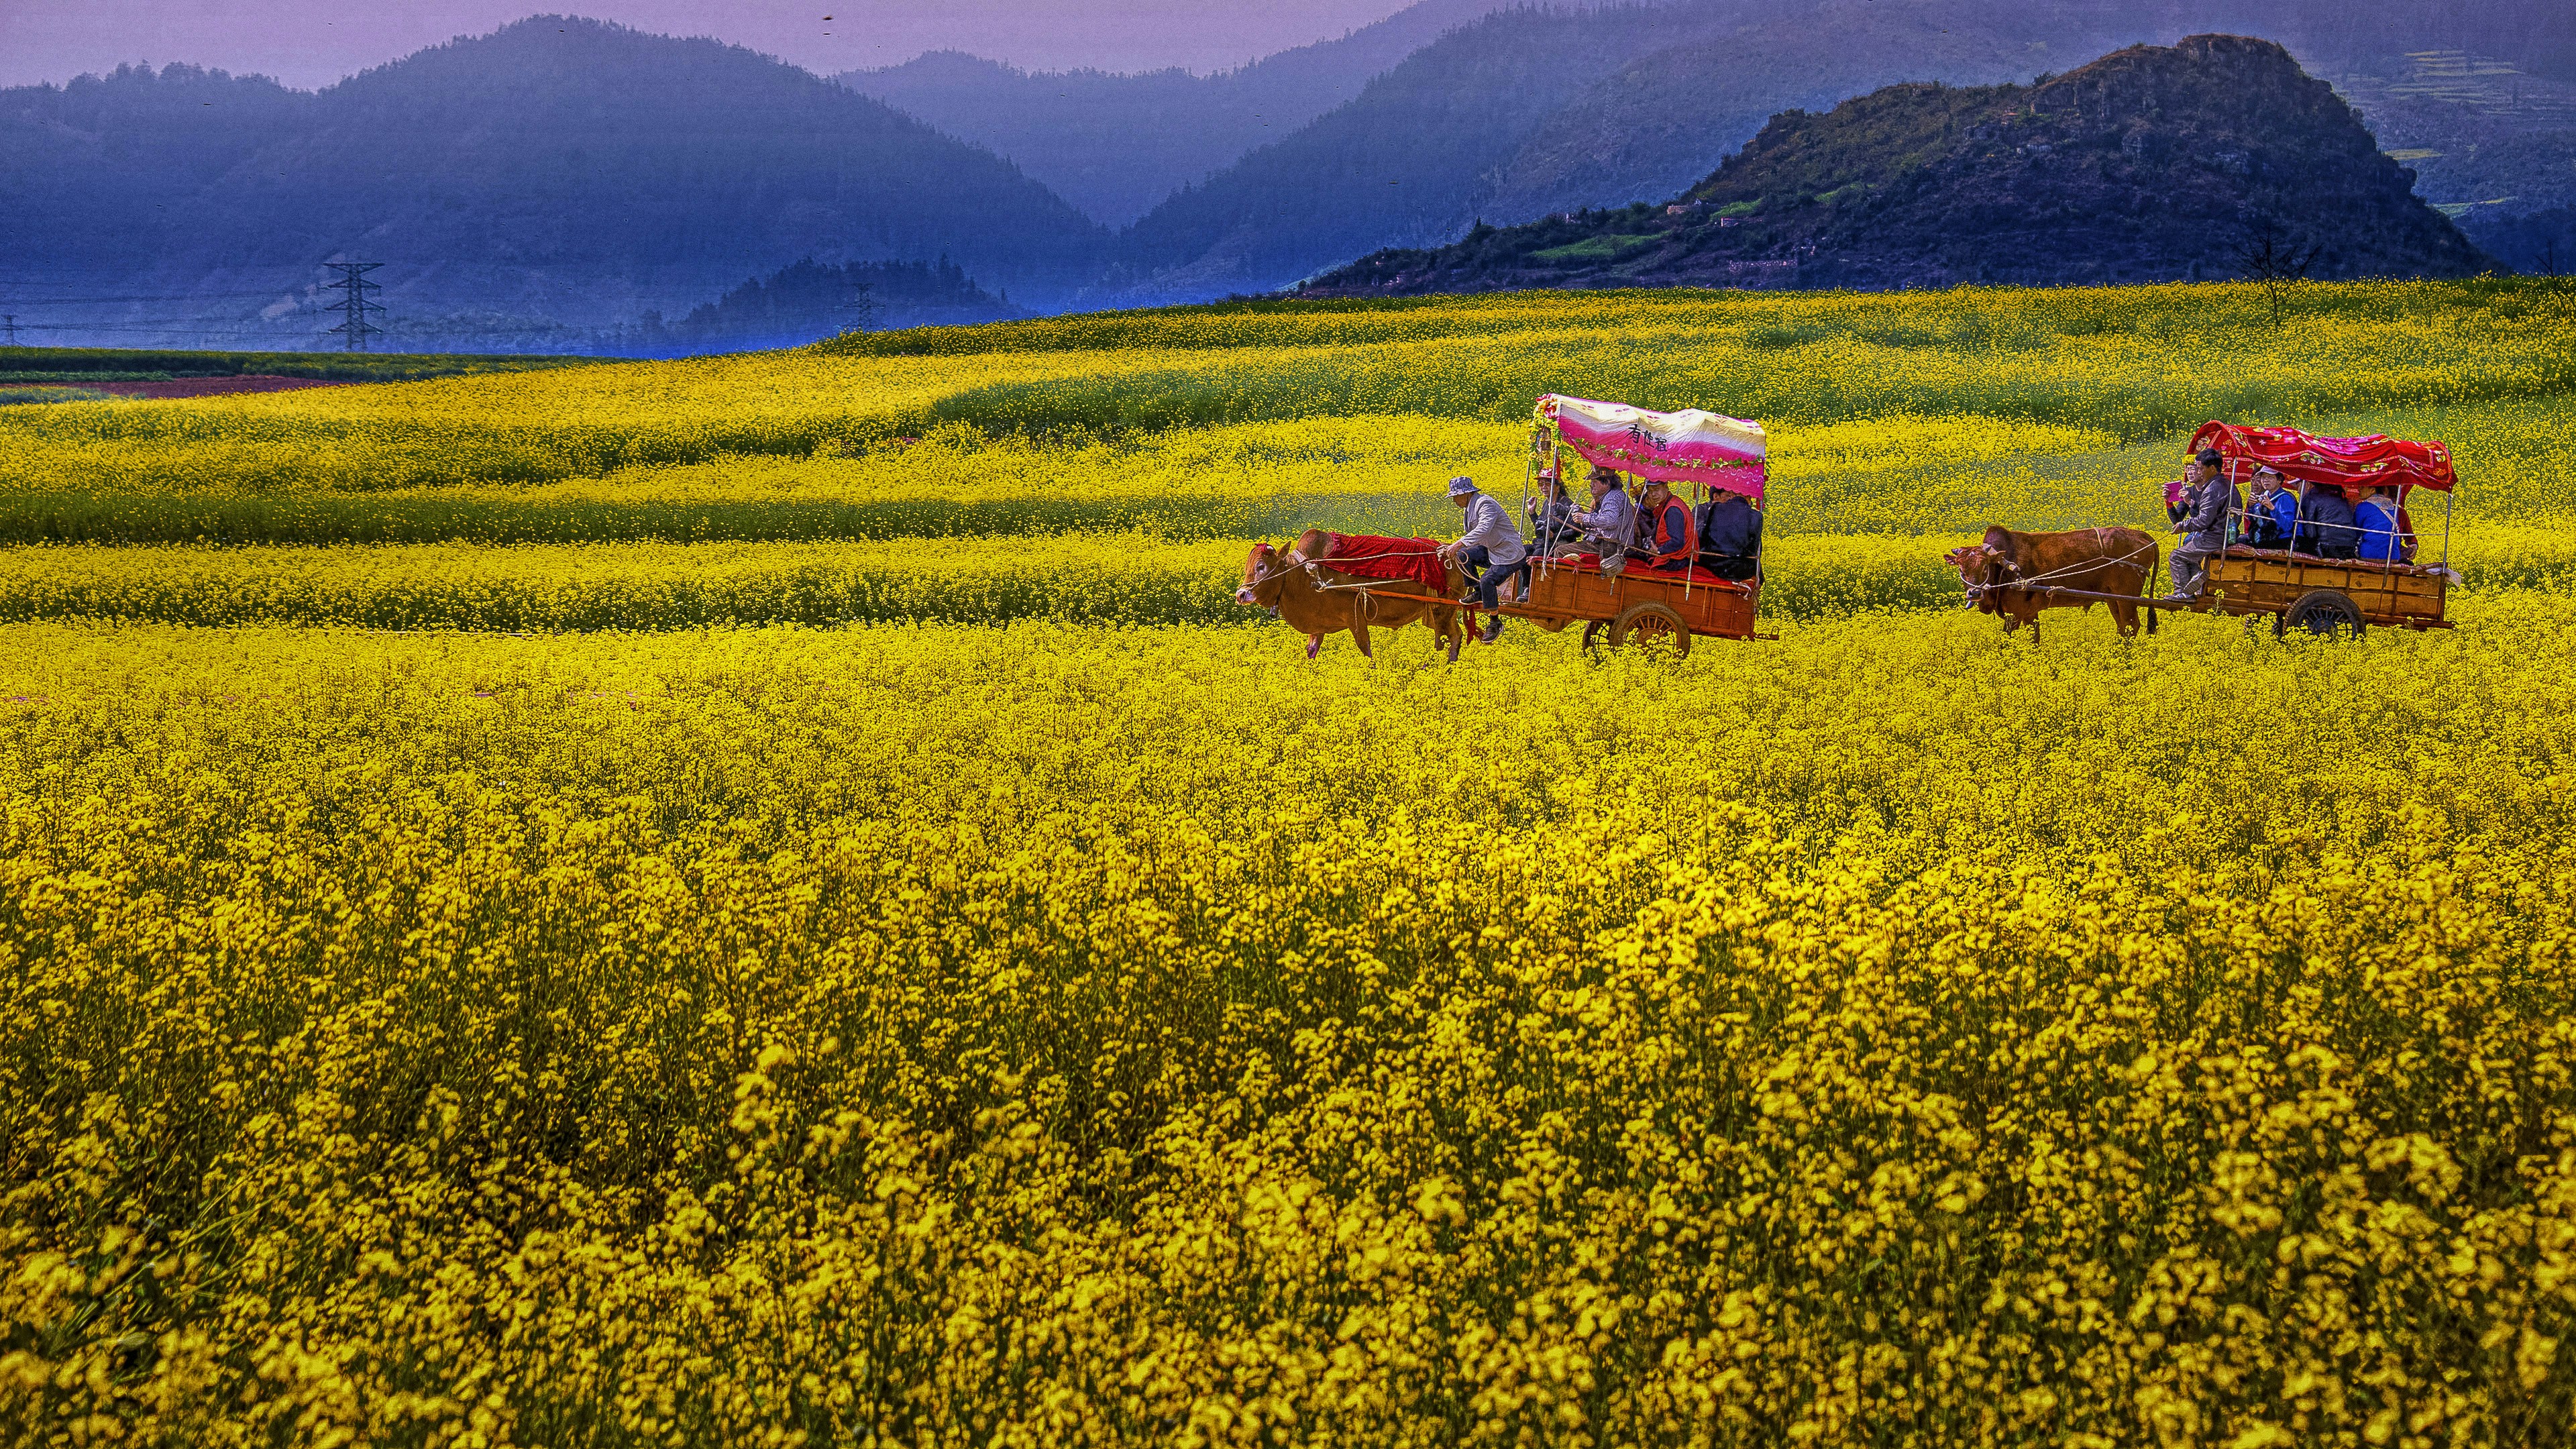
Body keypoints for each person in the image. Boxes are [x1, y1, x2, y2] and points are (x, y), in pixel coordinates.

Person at [1436, 474, 1525, 643]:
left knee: (1487, 581)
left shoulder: (1485, 503)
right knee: (1463, 556)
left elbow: (1484, 528)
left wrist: (1458, 544)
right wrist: (1451, 547)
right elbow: (1474, 537)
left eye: (1456, 496)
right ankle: (1478, 593)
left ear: (1466, 494)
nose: (1454, 501)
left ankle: (1495, 622)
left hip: (1509, 554)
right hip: (1492, 550)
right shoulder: (1470, 507)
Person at [2169, 448, 2235, 597]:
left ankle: (2182, 593)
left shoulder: (2212, 489)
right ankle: (2197, 584)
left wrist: (2183, 526)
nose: (2198, 472)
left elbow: (2204, 520)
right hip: (2224, 534)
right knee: (2190, 555)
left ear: (2212, 468)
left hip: (2214, 536)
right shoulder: (2226, 484)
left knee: (2176, 556)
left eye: (2200, 468)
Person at [1564, 466, 1636, 570]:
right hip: (1609, 545)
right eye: (1591, 481)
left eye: (1595, 481)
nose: (1591, 485)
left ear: (1607, 482)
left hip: (1611, 547)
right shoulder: (1613, 495)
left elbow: (1610, 520)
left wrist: (1585, 518)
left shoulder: (1612, 497)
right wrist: (1584, 515)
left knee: (1561, 551)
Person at [1628, 479, 1696, 572]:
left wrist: (1659, 550)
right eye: (1650, 491)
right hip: (1673, 554)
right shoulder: (1671, 502)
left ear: (1666, 486)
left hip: (1676, 559)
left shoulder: (1673, 510)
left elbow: (1678, 542)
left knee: (1629, 559)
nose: (1653, 494)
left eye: (1656, 489)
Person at [1694, 488, 1762, 581]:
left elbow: (1705, 536)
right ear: (1750, 497)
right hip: (1740, 570)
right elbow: (1755, 548)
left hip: (1713, 564)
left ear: (1732, 494)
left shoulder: (1717, 507)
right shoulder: (1757, 516)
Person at [2237, 466, 2297, 550]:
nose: (2266, 480)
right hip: (2267, 537)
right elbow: (2255, 520)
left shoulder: (2285, 498)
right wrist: (2251, 507)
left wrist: (2272, 508)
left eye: (2270, 477)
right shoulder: (2265, 495)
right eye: (2263, 478)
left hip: (2283, 539)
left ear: (2279, 480)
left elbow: (2287, 526)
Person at [1524, 468, 1578, 559]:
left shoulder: (1566, 504)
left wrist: (1554, 535)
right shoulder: (1546, 503)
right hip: (1544, 543)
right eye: (1541, 484)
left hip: (1559, 544)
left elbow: (1576, 531)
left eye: (1548, 484)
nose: (1544, 487)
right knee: (1521, 551)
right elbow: (1541, 528)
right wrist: (1532, 513)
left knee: (1537, 555)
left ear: (1557, 486)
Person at [2297, 484, 2360, 559]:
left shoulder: (2311, 498)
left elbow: (2311, 533)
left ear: (2308, 484)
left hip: (2326, 546)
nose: (2298, 490)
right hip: (2349, 544)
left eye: (2298, 485)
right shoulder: (2341, 497)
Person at [2355, 486, 2412, 563]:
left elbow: (2356, 530)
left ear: (2372, 490)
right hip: (2394, 557)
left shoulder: (2363, 506)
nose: (2359, 489)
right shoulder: (2393, 508)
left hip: (2369, 555)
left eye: (2363, 487)